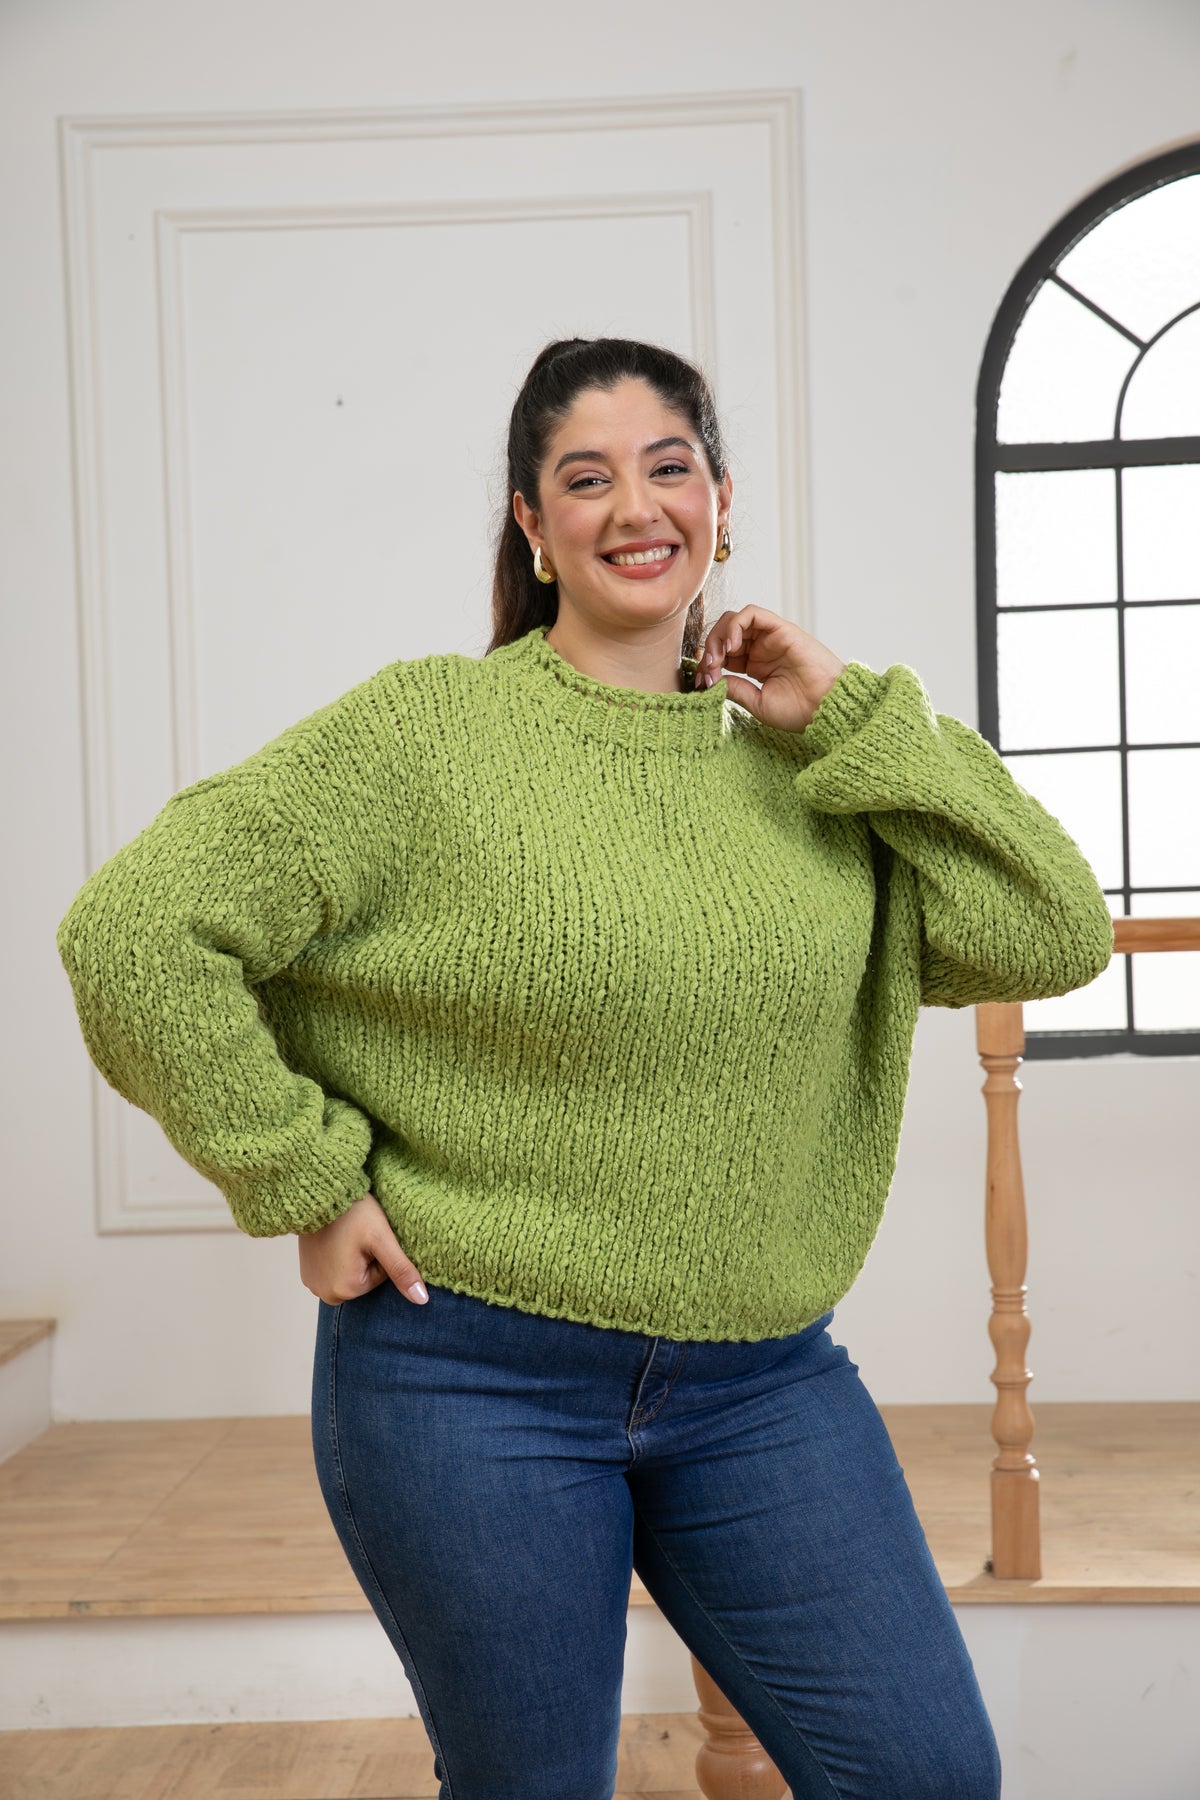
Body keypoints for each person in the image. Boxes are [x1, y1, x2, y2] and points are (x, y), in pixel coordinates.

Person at [56, 336, 1114, 1800]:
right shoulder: (426, 734)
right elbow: (134, 932)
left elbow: (1054, 929)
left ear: (722, 502)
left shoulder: (816, 769)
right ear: (532, 523)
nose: (635, 506)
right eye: (586, 477)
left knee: (927, 1775)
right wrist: (301, 1177)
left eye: (669, 467)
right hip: (467, 1378)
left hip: (761, 1381)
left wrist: (858, 717)